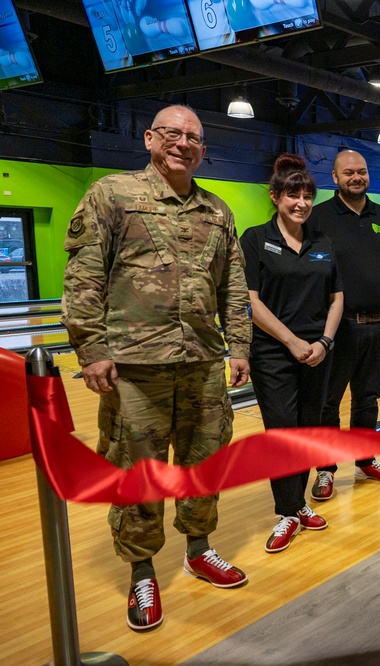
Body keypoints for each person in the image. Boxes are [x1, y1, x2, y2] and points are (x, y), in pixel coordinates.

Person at [61, 104, 251, 632]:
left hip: (203, 363)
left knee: (203, 464)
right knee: (137, 471)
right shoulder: (112, 194)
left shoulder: (218, 211)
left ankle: (199, 549)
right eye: (172, 133)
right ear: (149, 139)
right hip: (134, 367)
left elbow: (233, 287)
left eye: (193, 137)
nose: (182, 143)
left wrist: (239, 347)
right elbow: (83, 278)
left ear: (203, 150)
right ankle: (141, 569)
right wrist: (91, 349)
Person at [240, 154, 344, 554]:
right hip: (274, 352)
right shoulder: (254, 239)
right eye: (292, 195)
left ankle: (297, 505)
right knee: (283, 431)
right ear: (275, 197)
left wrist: (324, 343)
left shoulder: (322, 242)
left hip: (319, 352)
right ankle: (286, 511)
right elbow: (253, 302)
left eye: (307, 196)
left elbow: (337, 298)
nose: (301, 203)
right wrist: (293, 342)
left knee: (305, 430)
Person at [309, 150, 380, 497]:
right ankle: (325, 468)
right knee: (328, 402)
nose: (356, 177)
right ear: (334, 178)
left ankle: (365, 460)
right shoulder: (318, 217)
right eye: (348, 172)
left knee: (368, 397)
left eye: (362, 172)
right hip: (339, 329)